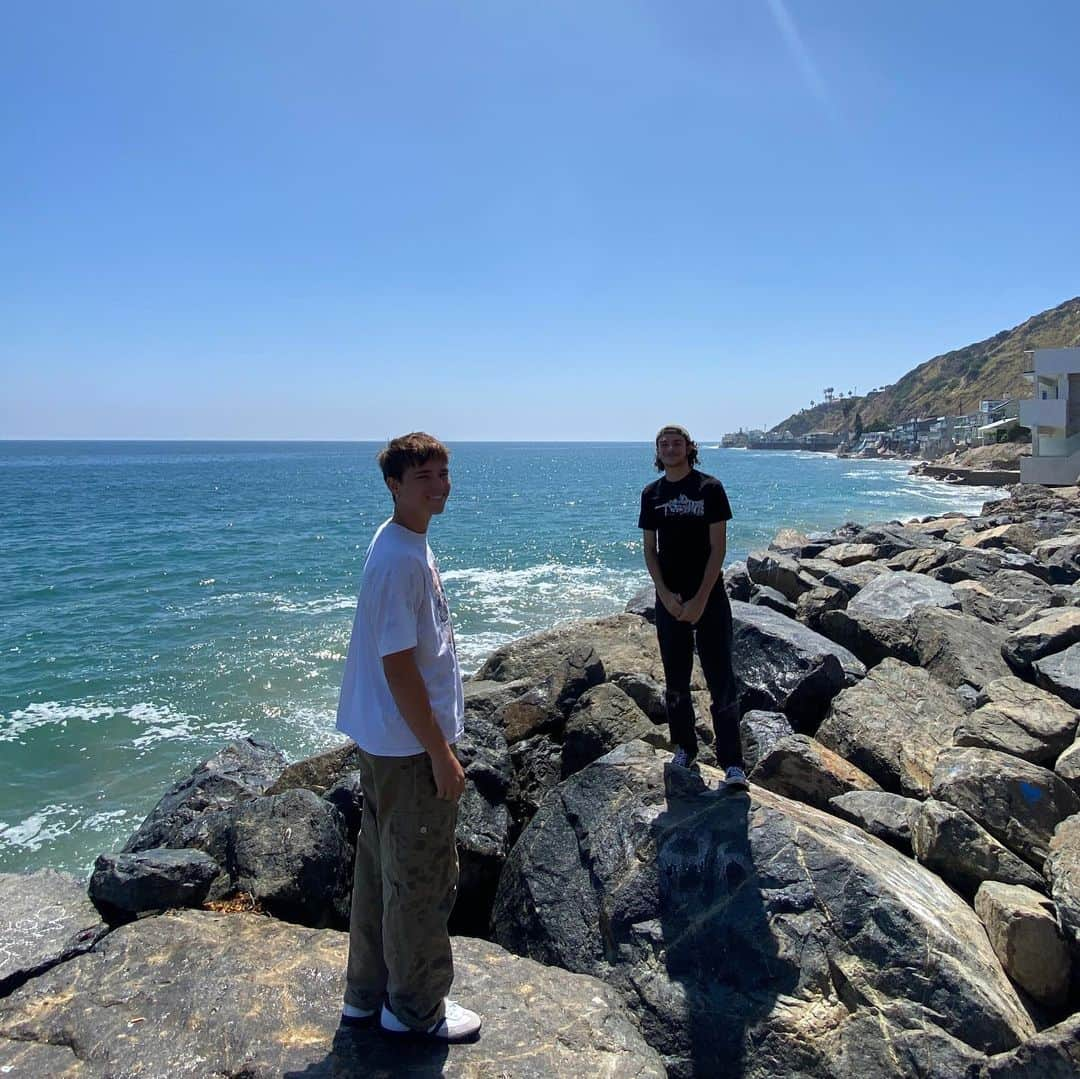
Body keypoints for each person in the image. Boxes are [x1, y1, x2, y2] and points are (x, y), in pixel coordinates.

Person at [335, 432, 482, 1042]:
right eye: (424, 476)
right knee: (421, 878)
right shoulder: (399, 558)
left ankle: (366, 997)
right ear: (395, 484)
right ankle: (415, 1009)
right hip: (408, 749)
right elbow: (398, 667)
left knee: (378, 872)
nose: (439, 484)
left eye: (443, 473)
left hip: (385, 743)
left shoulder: (399, 540)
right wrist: (441, 753)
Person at [638, 424, 748, 788]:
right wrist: (667, 597)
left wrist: (701, 599)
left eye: (677, 443)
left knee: (721, 680)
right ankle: (685, 747)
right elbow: (649, 552)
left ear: (689, 448)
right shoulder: (651, 494)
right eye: (664, 444)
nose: (670, 448)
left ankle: (733, 764)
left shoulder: (710, 488)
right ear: (658, 451)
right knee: (676, 681)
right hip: (669, 598)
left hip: (709, 596)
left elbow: (718, 547)